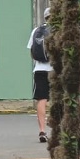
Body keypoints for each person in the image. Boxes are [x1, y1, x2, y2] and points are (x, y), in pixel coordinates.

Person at [26, 7, 52, 143]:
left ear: (45, 16)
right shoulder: (59, 31)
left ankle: (42, 130)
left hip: (39, 70)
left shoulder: (36, 31)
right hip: (55, 70)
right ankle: (58, 127)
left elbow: (31, 52)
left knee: (42, 99)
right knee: (59, 99)